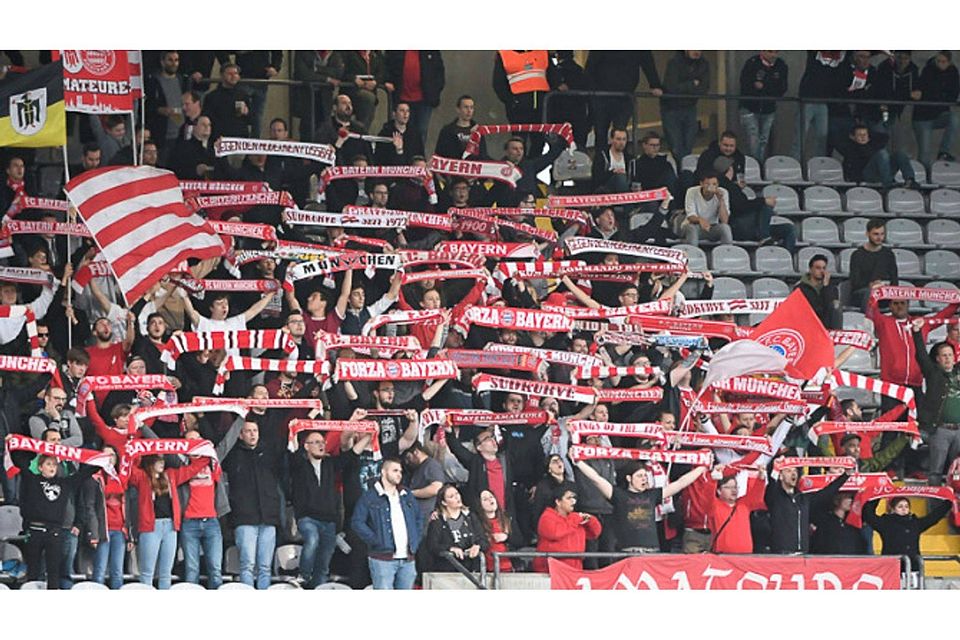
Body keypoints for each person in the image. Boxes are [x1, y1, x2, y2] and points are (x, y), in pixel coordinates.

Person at [6, 440, 98, 590]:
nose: (52, 467)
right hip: (35, 532)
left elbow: (84, 474)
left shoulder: (64, 483)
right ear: (40, 467)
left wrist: (103, 460)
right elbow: (19, 460)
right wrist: (13, 442)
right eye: (48, 464)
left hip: (54, 533)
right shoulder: (32, 479)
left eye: (54, 464)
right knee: (33, 572)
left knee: (54, 573)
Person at [574, 457, 708, 553]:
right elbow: (597, 479)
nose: (644, 479)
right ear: (629, 478)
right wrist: (578, 462)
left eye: (645, 476)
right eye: (639, 476)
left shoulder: (652, 494)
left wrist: (702, 467)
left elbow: (680, 483)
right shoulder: (619, 495)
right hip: (627, 553)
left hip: (652, 552)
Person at [290, 424, 367, 588]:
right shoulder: (299, 465)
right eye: (316, 442)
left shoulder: (330, 464)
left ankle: (319, 588)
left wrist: (369, 435)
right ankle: (303, 575)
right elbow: (292, 453)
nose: (321, 445)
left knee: (324, 561)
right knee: (312, 539)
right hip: (307, 517)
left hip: (329, 520)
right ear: (306, 446)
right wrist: (294, 432)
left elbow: (352, 454)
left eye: (322, 442)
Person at [127, 453, 208, 589]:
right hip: (151, 528)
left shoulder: (171, 475)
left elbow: (192, 469)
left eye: (163, 460)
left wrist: (206, 453)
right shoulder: (142, 477)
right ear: (150, 462)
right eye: (158, 460)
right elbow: (130, 466)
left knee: (166, 573)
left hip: (170, 527)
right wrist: (140, 452)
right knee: (147, 573)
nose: (162, 463)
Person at [221, 420, 284, 589]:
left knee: (265, 567)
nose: (252, 434)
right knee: (247, 565)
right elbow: (223, 444)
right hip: (244, 518)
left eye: (255, 430)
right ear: (240, 435)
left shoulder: (269, 454)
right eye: (248, 431)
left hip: (268, 517)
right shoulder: (233, 455)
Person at [350, 458, 424, 590]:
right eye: (395, 470)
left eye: (400, 471)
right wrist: (375, 540)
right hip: (382, 558)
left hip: (408, 558)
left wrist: (415, 539)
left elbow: (419, 518)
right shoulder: (370, 496)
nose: (399, 474)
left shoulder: (406, 494)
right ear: (383, 472)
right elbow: (357, 522)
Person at [911, 319, 960, 486]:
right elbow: (921, 355)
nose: (947, 358)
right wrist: (917, 332)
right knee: (936, 471)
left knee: (958, 471)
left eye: (950, 355)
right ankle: (935, 500)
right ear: (937, 359)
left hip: (959, 429)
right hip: (940, 430)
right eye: (944, 355)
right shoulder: (933, 373)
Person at [764, 464, 848, 554]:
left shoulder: (803, 499)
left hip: (803, 554)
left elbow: (826, 492)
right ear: (780, 476)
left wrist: (846, 475)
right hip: (781, 554)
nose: (793, 474)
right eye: (788, 471)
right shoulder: (776, 498)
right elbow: (771, 487)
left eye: (795, 471)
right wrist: (775, 469)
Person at [585, 51, 661, 146]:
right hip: (603, 95)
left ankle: (613, 154)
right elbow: (591, 66)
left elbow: (647, 62)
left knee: (616, 132)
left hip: (620, 95)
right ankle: (603, 154)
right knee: (602, 133)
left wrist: (655, 84)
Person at [79, 445, 129, 589]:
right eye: (105, 455)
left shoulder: (122, 478)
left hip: (120, 530)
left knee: (117, 571)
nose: (109, 458)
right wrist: (94, 533)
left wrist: (130, 534)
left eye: (112, 455)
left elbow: (128, 507)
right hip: (103, 531)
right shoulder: (94, 479)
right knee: (100, 570)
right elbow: (90, 508)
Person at [492, 50, 558, 157]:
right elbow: (498, 84)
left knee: (539, 142)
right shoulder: (504, 54)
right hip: (518, 109)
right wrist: (511, 102)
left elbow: (554, 78)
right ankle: (520, 166)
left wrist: (550, 100)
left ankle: (531, 166)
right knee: (519, 142)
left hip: (541, 108)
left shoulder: (542, 52)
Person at [862, 495, 952, 571]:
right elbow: (868, 515)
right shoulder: (885, 523)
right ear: (893, 509)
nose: (904, 509)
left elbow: (933, 517)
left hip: (913, 567)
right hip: (892, 568)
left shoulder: (915, 523)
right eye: (900, 506)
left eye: (906, 506)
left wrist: (948, 503)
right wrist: (877, 496)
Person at [532, 485, 602, 573]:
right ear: (558, 501)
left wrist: (590, 520)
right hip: (550, 570)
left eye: (574, 498)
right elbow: (555, 533)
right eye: (569, 498)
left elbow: (595, 533)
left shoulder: (575, 518)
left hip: (575, 568)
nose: (573, 501)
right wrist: (575, 519)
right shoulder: (547, 517)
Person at [384, 50, 445, 148]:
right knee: (400, 130)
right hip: (402, 99)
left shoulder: (431, 51)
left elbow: (439, 73)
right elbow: (386, 66)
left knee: (421, 130)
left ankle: (418, 155)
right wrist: (387, 81)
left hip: (424, 100)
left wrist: (434, 91)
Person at [792, 50, 845, 161]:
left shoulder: (841, 55)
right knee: (800, 137)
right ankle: (795, 165)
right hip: (807, 100)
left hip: (823, 102)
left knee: (822, 137)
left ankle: (819, 165)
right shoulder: (815, 53)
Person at [425, 483, 487, 573]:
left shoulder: (471, 517)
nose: (457, 497)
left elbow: (484, 540)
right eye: (451, 496)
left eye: (457, 493)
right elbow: (432, 545)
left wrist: (477, 546)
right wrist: (450, 548)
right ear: (444, 502)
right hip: (448, 571)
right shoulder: (438, 520)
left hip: (472, 569)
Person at [738, 51, 788, 162]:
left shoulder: (781, 65)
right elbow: (745, 86)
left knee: (764, 140)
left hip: (769, 109)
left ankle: (760, 164)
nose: (773, 55)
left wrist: (763, 86)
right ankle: (755, 164)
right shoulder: (752, 63)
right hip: (749, 107)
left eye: (776, 52)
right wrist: (768, 88)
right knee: (753, 138)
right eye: (770, 51)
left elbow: (782, 89)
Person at [661, 51, 710, 163]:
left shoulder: (703, 64)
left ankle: (684, 169)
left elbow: (704, 88)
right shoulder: (674, 63)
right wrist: (692, 84)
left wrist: (684, 86)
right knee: (676, 145)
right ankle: (681, 169)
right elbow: (671, 87)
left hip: (690, 107)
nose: (697, 51)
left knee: (689, 144)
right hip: (671, 108)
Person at [913, 51, 960, 167]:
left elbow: (954, 93)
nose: (940, 64)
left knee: (954, 119)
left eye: (943, 62)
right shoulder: (928, 71)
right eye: (938, 61)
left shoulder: (953, 72)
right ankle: (925, 175)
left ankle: (944, 152)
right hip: (923, 117)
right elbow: (924, 90)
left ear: (949, 62)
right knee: (924, 156)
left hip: (939, 114)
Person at [834, 124, 917, 189]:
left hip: (882, 171)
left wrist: (870, 136)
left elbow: (885, 137)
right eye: (859, 135)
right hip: (866, 175)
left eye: (865, 134)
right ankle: (888, 184)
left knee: (900, 154)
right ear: (853, 137)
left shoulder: (873, 144)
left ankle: (910, 180)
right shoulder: (850, 148)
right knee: (882, 153)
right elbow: (837, 142)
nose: (863, 137)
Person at [292, 50, 343, 143]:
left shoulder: (335, 53)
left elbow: (338, 73)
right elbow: (303, 74)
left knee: (324, 129)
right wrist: (327, 79)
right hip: (306, 97)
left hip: (325, 99)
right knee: (307, 130)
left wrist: (317, 69)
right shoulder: (303, 51)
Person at [849, 219, 898, 311]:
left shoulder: (888, 254)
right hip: (862, 293)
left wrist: (885, 286)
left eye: (882, 234)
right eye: (876, 234)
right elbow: (855, 282)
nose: (879, 237)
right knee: (870, 293)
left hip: (884, 292)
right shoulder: (857, 255)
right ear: (867, 234)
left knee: (902, 296)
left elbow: (894, 280)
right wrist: (870, 285)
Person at [680, 170, 733, 246]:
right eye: (707, 184)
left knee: (725, 228)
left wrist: (721, 200)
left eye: (714, 184)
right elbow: (690, 216)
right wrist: (700, 220)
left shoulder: (723, 192)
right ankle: (693, 252)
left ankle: (727, 251)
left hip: (712, 227)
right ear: (701, 183)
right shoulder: (691, 191)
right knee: (691, 229)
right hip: (694, 226)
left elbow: (724, 220)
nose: (711, 187)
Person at [202, 63, 252, 141]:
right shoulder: (212, 97)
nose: (233, 76)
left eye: (235, 73)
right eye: (230, 74)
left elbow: (251, 120)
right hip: (219, 138)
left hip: (239, 138)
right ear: (222, 76)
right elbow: (207, 118)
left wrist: (247, 112)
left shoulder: (243, 95)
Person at [341, 50, 385, 133]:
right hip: (351, 92)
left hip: (370, 96)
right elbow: (341, 71)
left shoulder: (377, 54)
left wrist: (376, 81)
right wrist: (353, 79)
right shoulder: (348, 53)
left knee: (367, 117)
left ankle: (362, 134)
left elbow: (382, 73)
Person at [478, 489, 520, 573]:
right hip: (488, 568)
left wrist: (506, 537)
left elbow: (519, 541)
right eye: (485, 499)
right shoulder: (477, 522)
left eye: (491, 497)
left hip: (508, 566)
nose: (490, 500)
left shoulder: (507, 519)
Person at [795, 253, 841, 329]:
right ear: (810, 270)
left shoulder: (832, 288)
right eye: (818, 268)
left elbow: (831, 308)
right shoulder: (800, 288)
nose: (822, 271)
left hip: (826, 324)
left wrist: (826, 287)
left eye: (824, 268)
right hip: (807, 323)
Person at [403, 441, 445, 521]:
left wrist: (412, 493)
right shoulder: (416, 468)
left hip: (427, 514)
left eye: (408, 457)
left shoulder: (431, 465)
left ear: (416, 452)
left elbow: (436, 488)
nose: (408, 461)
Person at [435, 95, 487, 159]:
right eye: (466, 107)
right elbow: (439, 155)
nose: (469, 111)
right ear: (458, 109)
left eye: (471, 107)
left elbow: (483, 154)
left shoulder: (478, 130)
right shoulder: (447, 131)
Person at [592, 128, 634, 193]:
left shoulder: (630, 159)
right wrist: (613, 172)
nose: (621, 142)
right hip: (605, 189)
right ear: (611, 139)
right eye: (618, 139)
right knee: (620, 178)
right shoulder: (601, 156)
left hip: (626, 186)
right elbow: (596, 178)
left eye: (624, 139)